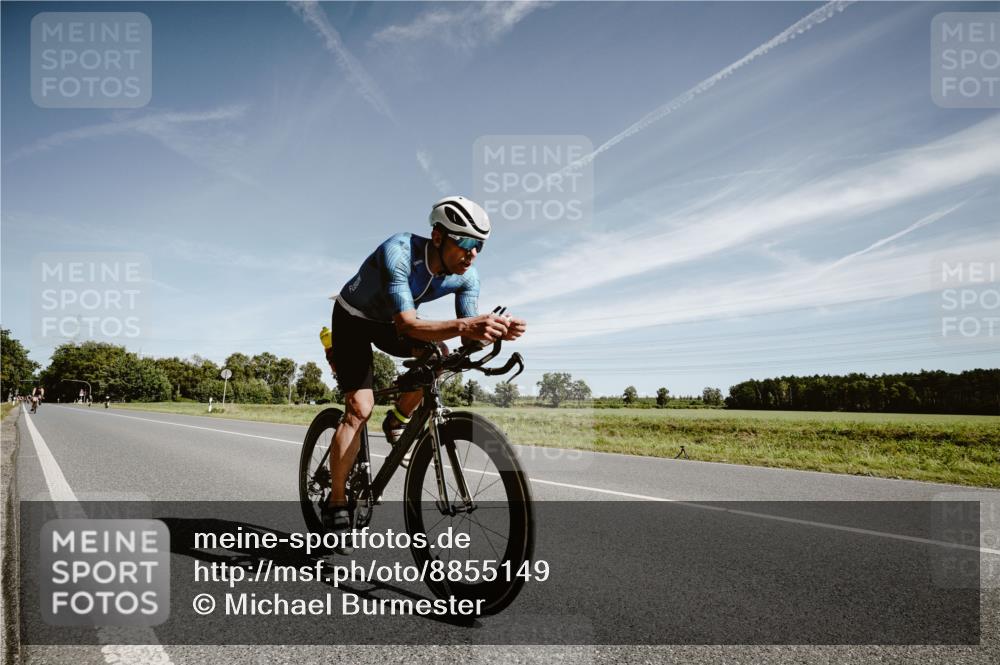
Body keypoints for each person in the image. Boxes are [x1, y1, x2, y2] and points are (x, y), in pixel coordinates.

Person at [321, 196, 526, 534]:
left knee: (441, 356)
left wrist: (494, 331)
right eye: (465, 242)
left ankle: (398, 420)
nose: (472, 253)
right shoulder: (399, 251)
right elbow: (408, 325)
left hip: (388, 322)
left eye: (480, 246)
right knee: (360, 407)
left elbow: (467, 338)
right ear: (437, 237)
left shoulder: (467, 278)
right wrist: (467, 326)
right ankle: (337, 501)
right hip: (354, 319)